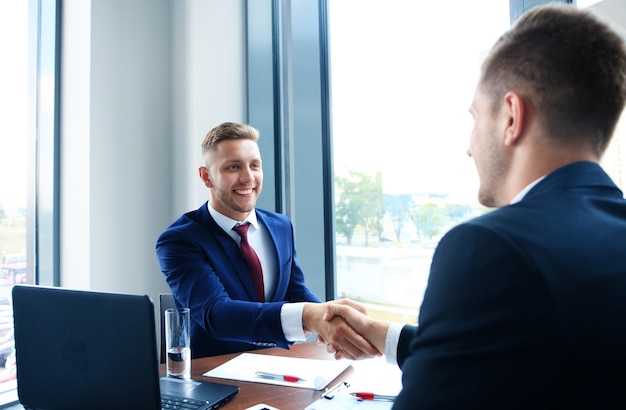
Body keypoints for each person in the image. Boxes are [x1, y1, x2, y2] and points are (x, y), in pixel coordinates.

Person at [324, 4, 626, 409]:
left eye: (474, 117)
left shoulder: (493, 247)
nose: (468, 148)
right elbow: (534, 356)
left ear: (511, 117)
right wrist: (381, 333)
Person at [156, 121, 379, 359]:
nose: (248, 177)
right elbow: (216, 314)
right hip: (213, 375)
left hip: (280, 364)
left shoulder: (281, 226)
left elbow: (296, 291)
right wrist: (308, 316)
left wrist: (330, 318)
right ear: (206, 176)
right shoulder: (179, 240)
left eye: (255, 165)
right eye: (233, 167)